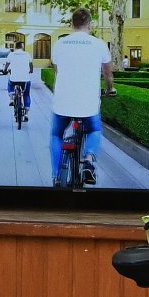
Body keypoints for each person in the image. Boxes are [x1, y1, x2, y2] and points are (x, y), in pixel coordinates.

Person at [44, 10, 113, 187]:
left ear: (72, 25)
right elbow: (108, 73)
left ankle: (56, 174)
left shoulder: (60, 43)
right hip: (88, 104)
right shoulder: (99, 44)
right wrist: (110, 89)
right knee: (95, 130)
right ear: (90, 24)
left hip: (63, 103)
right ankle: (88, 159)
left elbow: (58, 69)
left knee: (56, 134)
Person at [5, 46, 32, 120]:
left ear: (15, 48)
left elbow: (7, 64)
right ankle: (26, 114)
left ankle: (11, 98)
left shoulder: (11, 54)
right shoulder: (27, 54)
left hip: (14, 79)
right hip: (25, 80)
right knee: (26, 95)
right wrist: (31, 70)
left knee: (10, 83)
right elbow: (31, 65)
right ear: (22, 48)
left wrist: (5, 70)